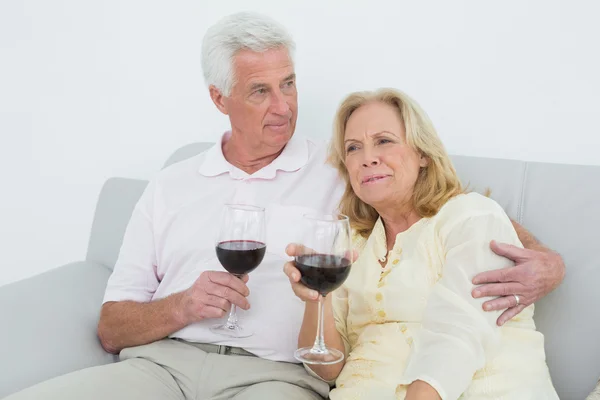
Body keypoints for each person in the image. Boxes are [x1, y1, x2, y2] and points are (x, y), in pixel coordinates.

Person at [6, 12, 563, 400]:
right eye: (261, 91)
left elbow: (440, 205)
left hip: (276, 380)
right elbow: (111, 327)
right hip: (160, 366)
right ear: (219, 98)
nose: (284, 107)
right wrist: (179, 306)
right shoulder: (170, 185)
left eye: (290, 85)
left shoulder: (341, 166)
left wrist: (547, 261)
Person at [284, 88, 560, 399]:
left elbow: (457, 336)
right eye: (353, 148)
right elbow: (327, 367)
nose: (368, 158)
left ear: (423, 153)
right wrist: (315, 298)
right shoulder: (353, 245)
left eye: (384, 141)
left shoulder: (470, 216)